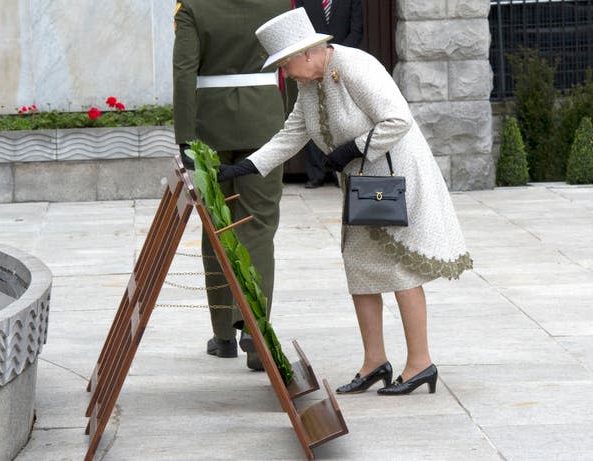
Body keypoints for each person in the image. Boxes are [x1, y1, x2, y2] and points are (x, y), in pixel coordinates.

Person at [217, 8, 473, 394]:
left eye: (285, 64)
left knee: (400, 267)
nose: (284, 74)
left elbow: (397, 119)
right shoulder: (309, 83)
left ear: (307, 53)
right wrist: (247, 167)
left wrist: (352, 147)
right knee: (360, 267)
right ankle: (375, 362)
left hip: (394, 177)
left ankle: (420, 363)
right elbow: (294, 133)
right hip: (361, 182)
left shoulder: (354, 65)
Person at [172, 0, 290, 370]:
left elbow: (184, 71)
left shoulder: (193, 7)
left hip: (211, 127)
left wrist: (185, 137)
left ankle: (223, 333)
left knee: (216, 226)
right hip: (264, 121)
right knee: (258, 225)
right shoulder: (275, 2)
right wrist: (286, 118)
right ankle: (255, 336)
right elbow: (290, 57)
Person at [294, 0, 364, 188]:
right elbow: (299, 31)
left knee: (342, 117)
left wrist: (335, 56)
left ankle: (339, 171)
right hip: (312, 65)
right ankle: (315, 174)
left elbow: (357, 30)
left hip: (344, 65)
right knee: (314, 116)